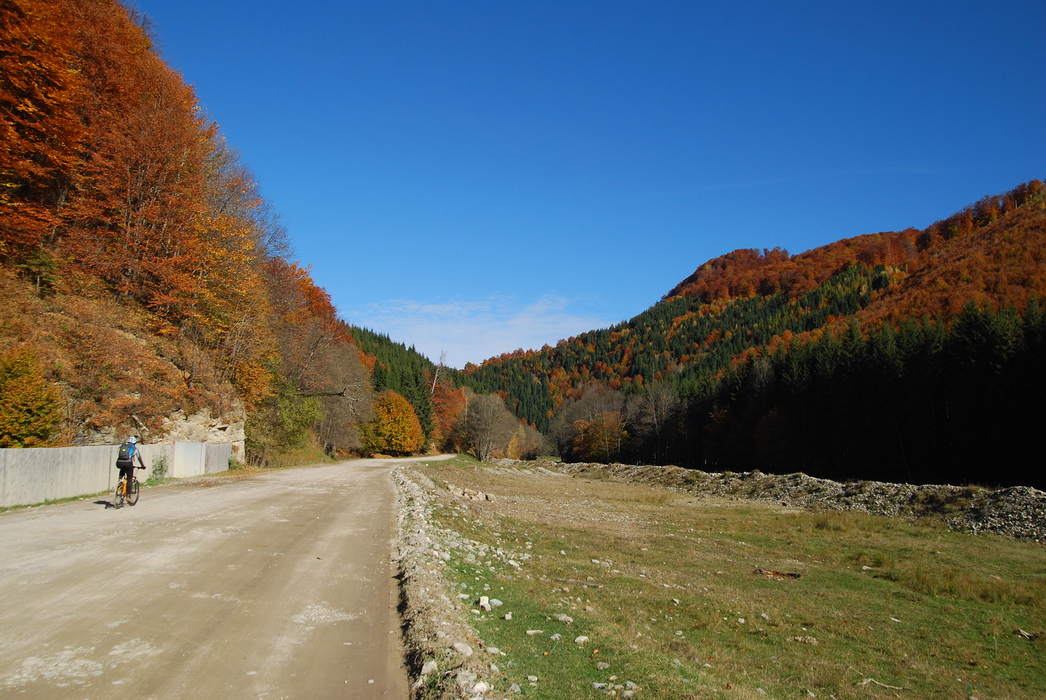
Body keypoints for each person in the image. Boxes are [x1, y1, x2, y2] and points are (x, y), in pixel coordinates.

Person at [115, 436, 145, 505]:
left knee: (122, 470)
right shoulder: (134, 448)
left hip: (119, 463)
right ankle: (128, 495)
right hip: (128, 463)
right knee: (129, 479)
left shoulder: (122, 446)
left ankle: (120, 482)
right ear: (134, 443)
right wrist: (143, 466)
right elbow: (139, 458)